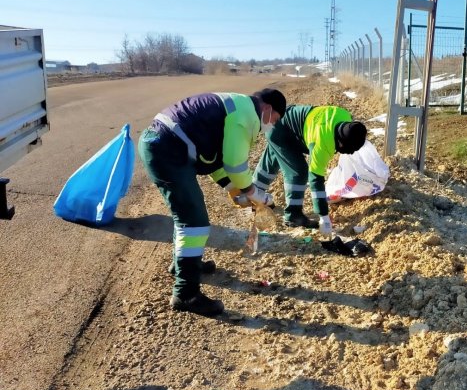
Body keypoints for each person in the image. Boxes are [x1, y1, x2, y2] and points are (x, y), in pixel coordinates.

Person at [138, 88, 286, 317]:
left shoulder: (237, 106)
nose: (270, 125)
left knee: (186, 215)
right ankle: (186, 293)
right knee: (194, 222)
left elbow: (214, 159)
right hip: (167, 149)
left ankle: (184, 266)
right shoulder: (248, 114)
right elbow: (236, 164)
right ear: (267, 108)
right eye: (274, 119)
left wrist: (232, 189)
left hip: (162, 143)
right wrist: (256, 195)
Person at [252, 105, 367, 234]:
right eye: (346, 149)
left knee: (273, 156)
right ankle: (293, 215)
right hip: (280, 129)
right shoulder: (322, 143)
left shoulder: (345, 116)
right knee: (298, 172)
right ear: (340, 141)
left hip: (283, 121)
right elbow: (315, 179)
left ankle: (253, 193)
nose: (348, 153)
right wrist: (323, 216)